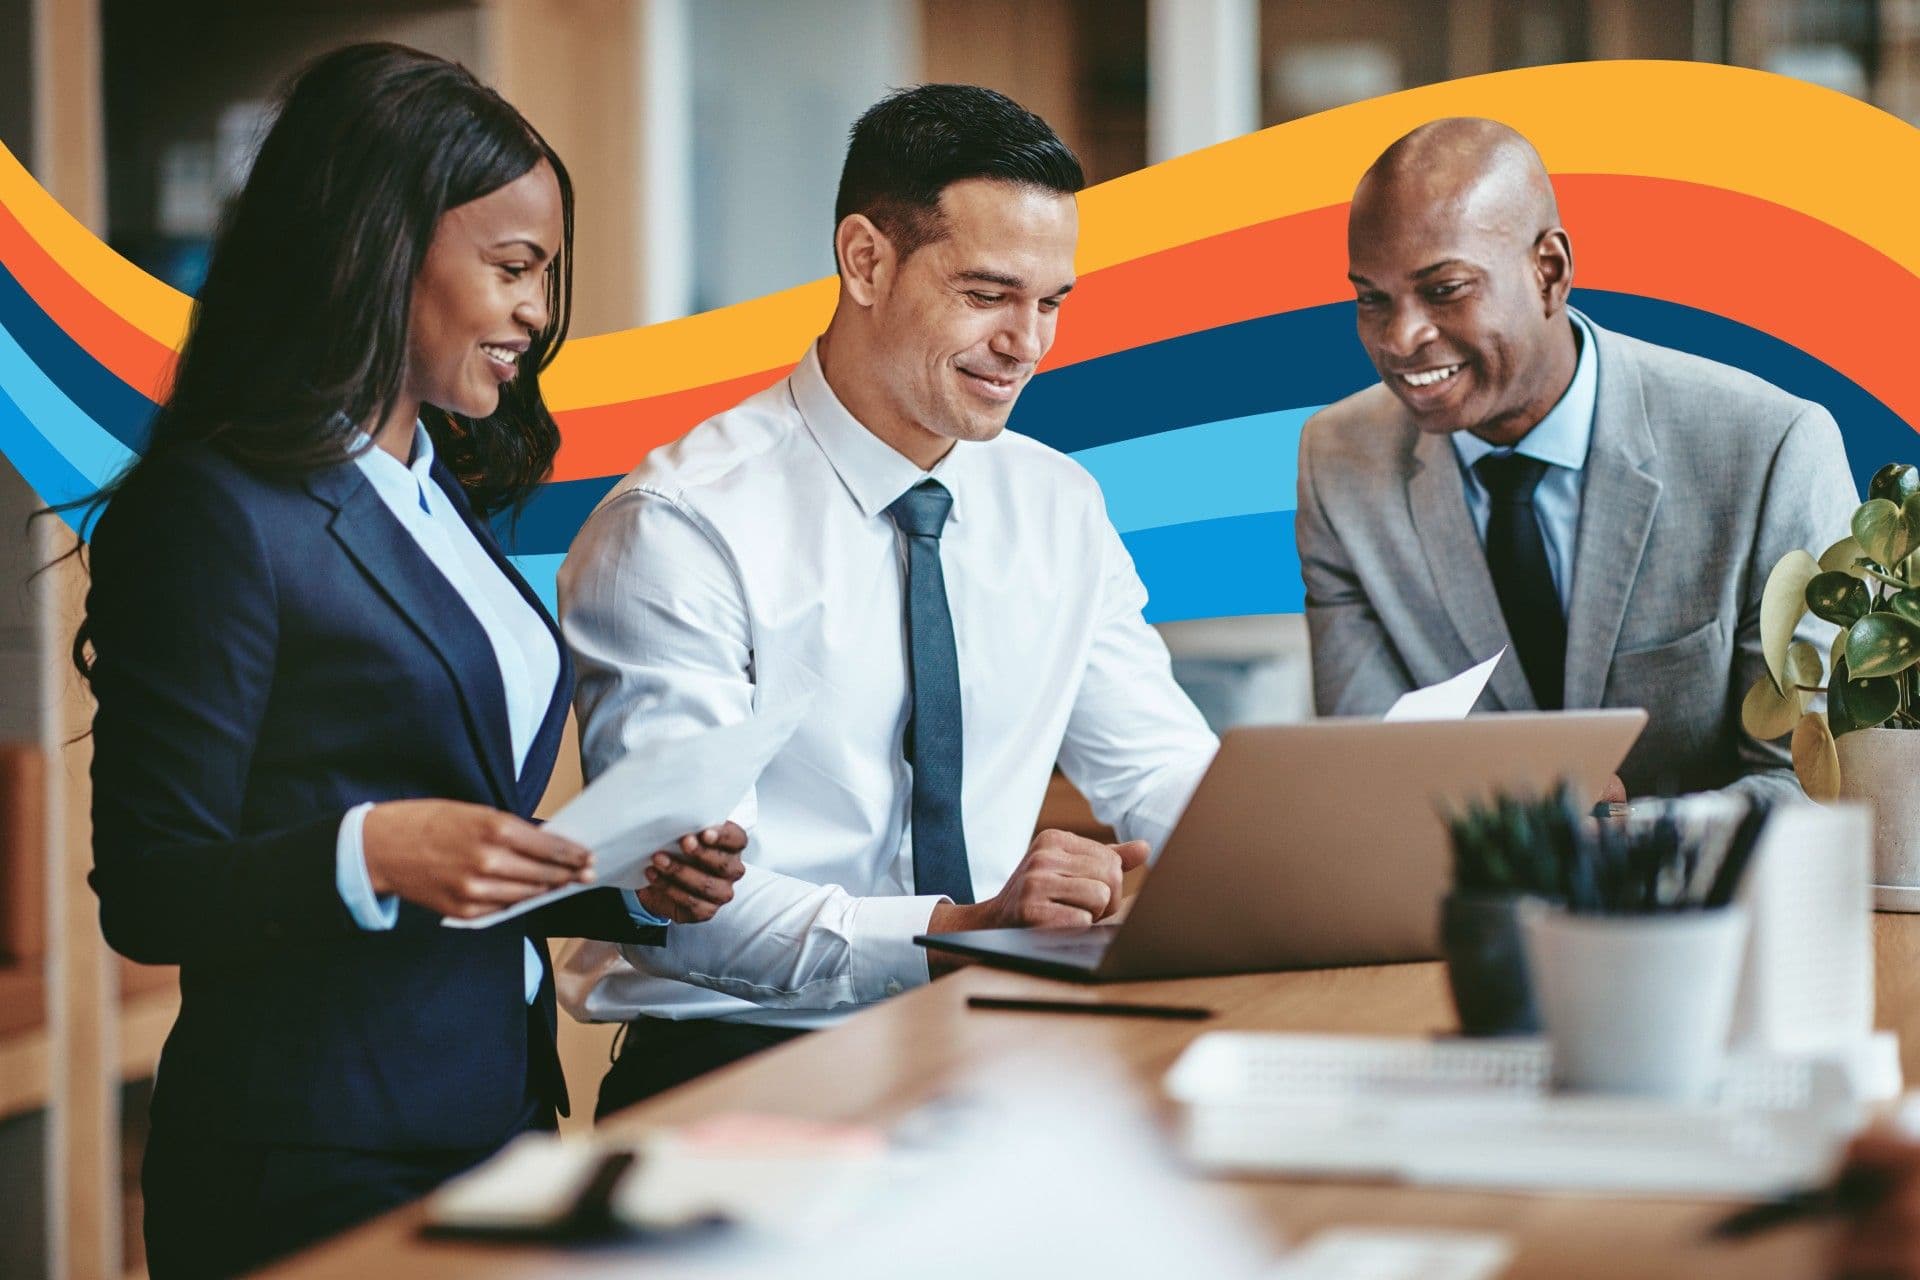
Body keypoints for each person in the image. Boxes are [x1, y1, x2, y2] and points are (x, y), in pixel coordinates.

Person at [78, 44, 744, 1277]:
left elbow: (459, 859)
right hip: (311, 1159)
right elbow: (152, 885)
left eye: (546, 277)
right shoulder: (218, 511)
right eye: (512, 269)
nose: (537, 315)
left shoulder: (445, 502)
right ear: (381, 246)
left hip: (496, 1120)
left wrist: (627, 884)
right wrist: (374, 846)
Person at [557, 83, 1219, 1115]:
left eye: (1052, 302)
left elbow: (1160, 767)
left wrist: (1286, 863)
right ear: (865, 259)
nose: (1028, 343)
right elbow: (690, 909)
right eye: (989, 293)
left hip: (997, 1057)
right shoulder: (682, 525)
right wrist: (967, 926)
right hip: (741, 1077)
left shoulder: (1059, 503)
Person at [1295, 117, 1856, 800]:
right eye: (1371, 299)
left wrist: (1622, 843)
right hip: (1456, 902)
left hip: (1704, 902)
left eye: (1445, 290)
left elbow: (1806, 784)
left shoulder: (1768, 449)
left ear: (1549, 273)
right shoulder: (1340, 460)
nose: (1400, 336)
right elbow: (1371, 772)